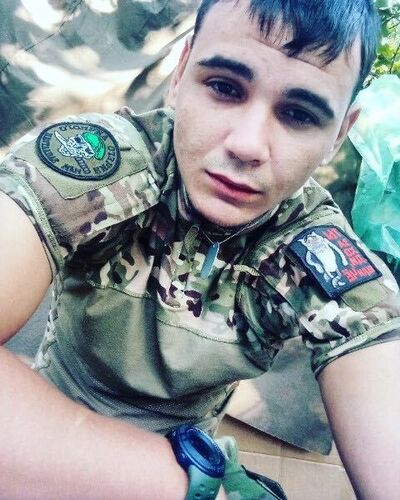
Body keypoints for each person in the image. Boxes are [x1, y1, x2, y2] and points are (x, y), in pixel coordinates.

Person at [0, 0, 399, 498]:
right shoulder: (101, 165)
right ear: (181, 72)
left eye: (298, 114)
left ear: (339, 134)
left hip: (185, 442)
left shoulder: (315, 248)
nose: (247, 145)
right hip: (49, 422)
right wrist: (192, 487)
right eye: (224, 87)